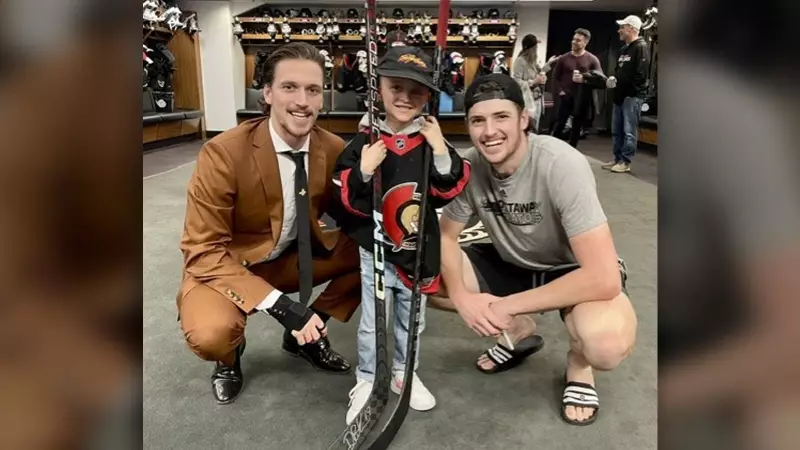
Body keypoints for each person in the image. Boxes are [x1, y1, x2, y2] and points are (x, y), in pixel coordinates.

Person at [430, 73, 637, 426]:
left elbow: (603, 277)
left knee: (605, 345)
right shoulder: (470, 165)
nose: (489, 131)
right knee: (426, 276)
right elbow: (446, 237)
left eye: (501, 117)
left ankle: (579, 365)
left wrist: (502, 306)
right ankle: (519, 329)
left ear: (524, 119)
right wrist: (464, 297)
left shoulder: (561, 163)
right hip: (513, 264)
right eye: (478, 121)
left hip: (574, 270)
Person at [177, 42, 361, 405]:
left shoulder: (334, 147)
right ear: (267, 93)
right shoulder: (224, 153)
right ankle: (229, 361)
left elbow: (353, 209)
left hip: (290, 257)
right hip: (226, 266)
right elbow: (201, 250)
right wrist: (283, 307)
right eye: (289, 87)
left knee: (372, 253)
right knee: (212, 334)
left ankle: (305, 335)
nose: (303, 101)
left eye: (313, 89)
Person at [330, 46, 470, 424]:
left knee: (412, 320)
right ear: (379, 89)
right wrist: (362, 170)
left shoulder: (429, 141)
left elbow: (449, 186)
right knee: (373, 319)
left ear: (429, 96)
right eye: (396, 87)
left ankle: (404, 373)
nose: (405, 98)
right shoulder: (365, 139)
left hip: (416, 249)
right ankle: (367, 378)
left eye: (417, 91)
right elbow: (342, 192)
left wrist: (441, 149)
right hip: (374, 248)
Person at [603, 15, 651, 173]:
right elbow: (620, 71)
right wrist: (613, 79)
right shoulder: (624, 49)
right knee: (616, 130)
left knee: (629, 131)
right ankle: (617, 158)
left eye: (622, 27)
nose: (619, 31)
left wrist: (630, 92)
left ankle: (625, 161)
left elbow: (641, 76)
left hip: (632, 96)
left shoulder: (641, 47)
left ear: (631, 28)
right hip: (620, 95)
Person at [550, 28, 603, 148]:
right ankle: (553, 148)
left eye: (578, 40)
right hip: (566, 96)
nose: (574, 42)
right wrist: (560, 91)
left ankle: (572, 149)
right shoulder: (563, 58)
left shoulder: (592, 59)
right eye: (573, 39)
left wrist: (585, 79)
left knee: (577, 126)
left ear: (585, 43)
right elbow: (555, 77)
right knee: (560, 123)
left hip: (582, 97)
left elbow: (599, 78)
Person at [511, 34, 559, 133]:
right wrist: (533, 82)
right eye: (535, 47)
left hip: (536, 99)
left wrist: (548, 64)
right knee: (527, 128)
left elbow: (539, 72)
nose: (536, 49)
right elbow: (516, 82)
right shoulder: (520, 61)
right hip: (527, 100)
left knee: (535, 128)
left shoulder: (532, 61)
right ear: (530, 48)